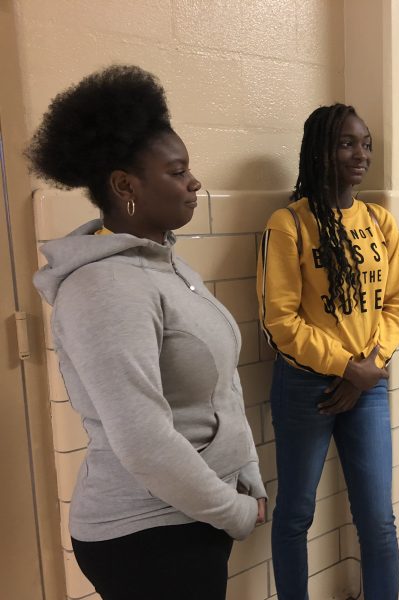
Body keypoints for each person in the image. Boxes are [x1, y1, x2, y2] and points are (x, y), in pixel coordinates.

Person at [29, 65, 266, 600]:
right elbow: (143, 440)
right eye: (178, 171)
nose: (194, 182)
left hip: (193, 515)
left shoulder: (168, 266)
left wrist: (245, 471)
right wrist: (233, 511)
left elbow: (222, 387)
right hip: (146, 535)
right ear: (124, 185)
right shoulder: (103, 287)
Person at [257, 103, 399, 599]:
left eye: (365, 143)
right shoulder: (288, 223)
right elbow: (280, 321)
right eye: (347, 143)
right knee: (296, 513)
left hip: (367, 384)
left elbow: (397, 305)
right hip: (306, 387)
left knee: (378, 520)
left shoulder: (379, 222)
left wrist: (366, 368)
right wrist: (346, 366)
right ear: (320, 151)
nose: (361, 154)